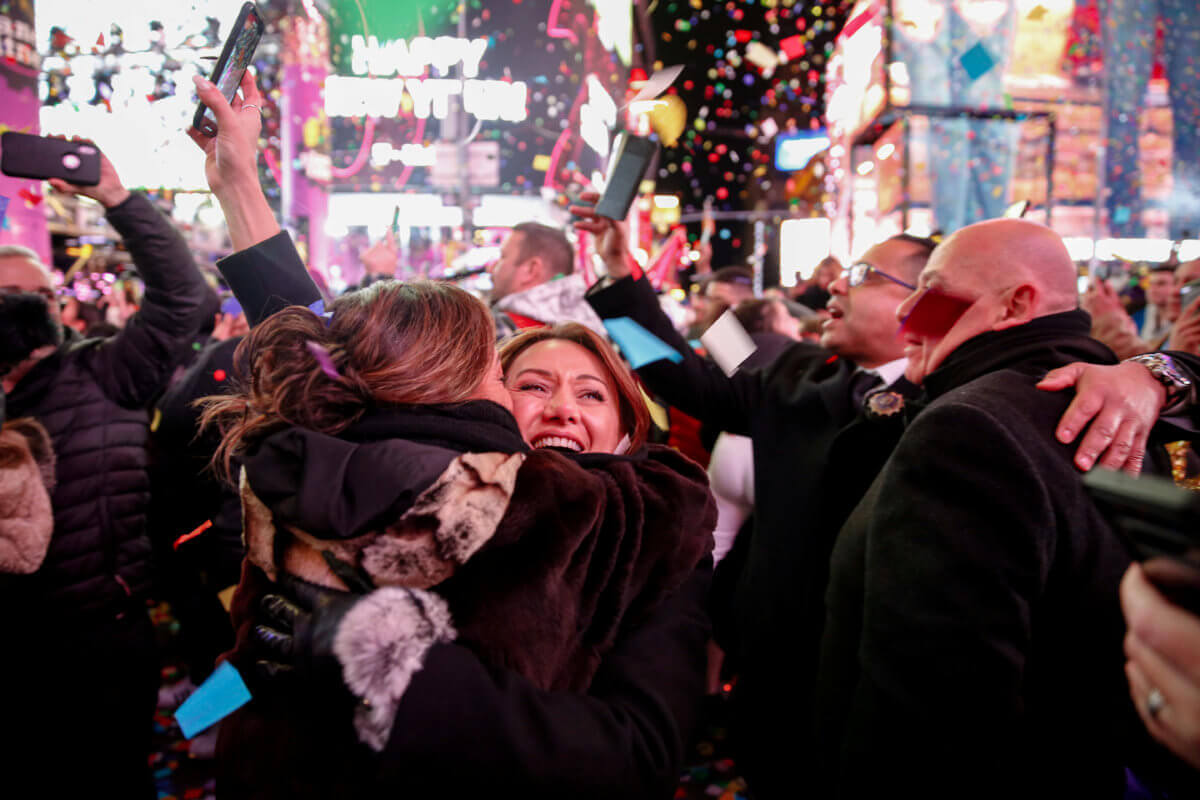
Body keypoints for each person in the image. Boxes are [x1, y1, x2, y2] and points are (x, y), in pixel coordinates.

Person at [189, 72, 716, 799]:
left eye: (592, 394)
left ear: (629, 432)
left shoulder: (646, 525)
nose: (562, 406)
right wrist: (204, 715)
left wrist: (391, 666)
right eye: (530, 385)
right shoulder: (392, 465)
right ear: (483, 396)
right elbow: (328, 362)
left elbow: (638, 755)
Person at [573, 203, 1177, 797]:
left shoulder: (1005, 405)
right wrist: (621, 281)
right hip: (777, 688)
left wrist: (1159, 373)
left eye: (863, 276)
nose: (836, 284)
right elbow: (675, 367)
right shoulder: (795, 371)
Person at [813, 218, 1188, 797]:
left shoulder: (970, 429)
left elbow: (933, 719)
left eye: (930, 289)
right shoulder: (1116, 408)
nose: (906, 310)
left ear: (1015, 305)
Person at [0, 148, 211, 797]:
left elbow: (183, 297)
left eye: (37, 294)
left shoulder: (100, 375)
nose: (27, 307)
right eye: (10, 294)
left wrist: (119, 201)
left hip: (97, 646)